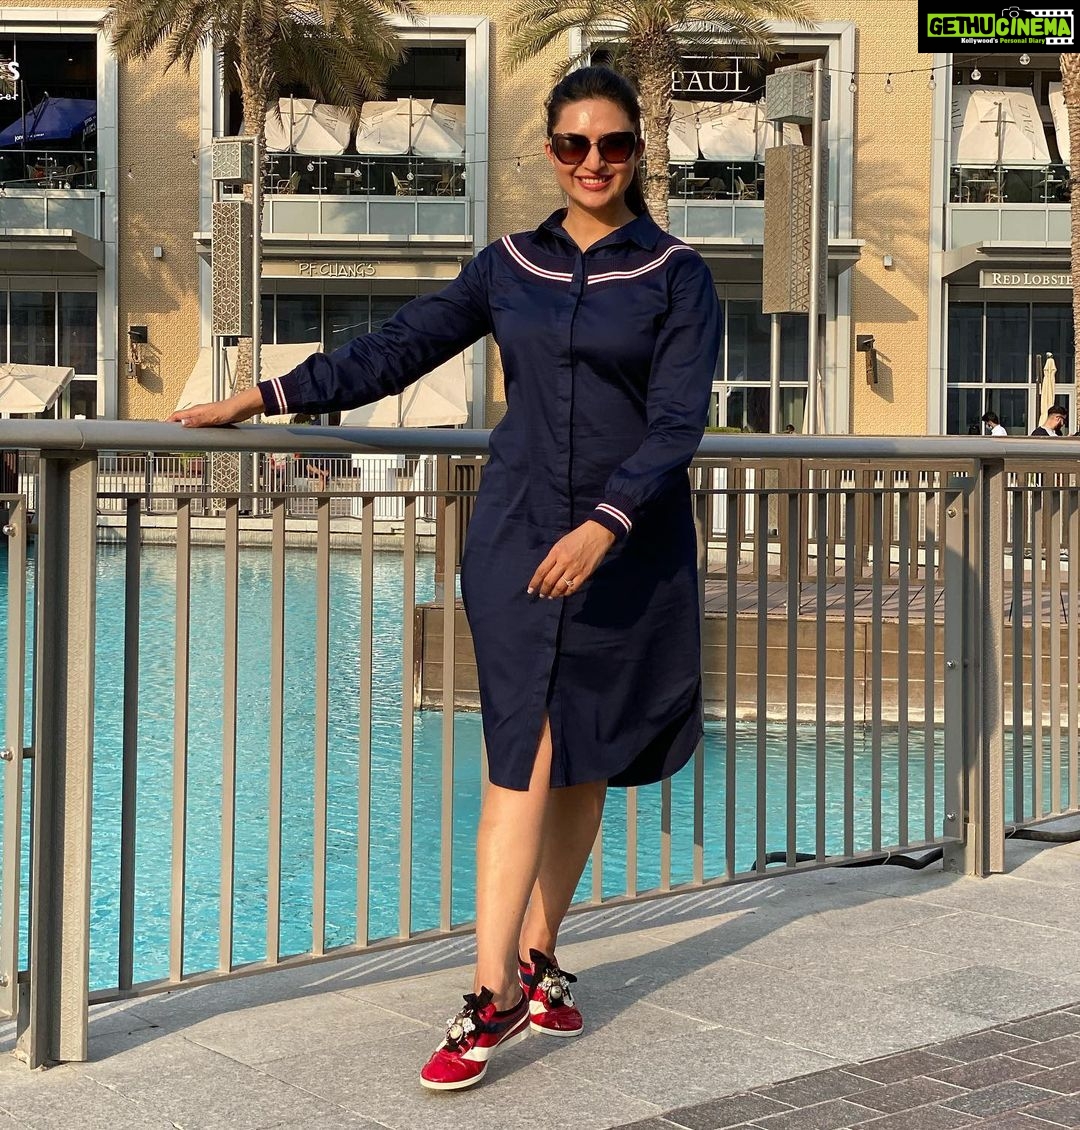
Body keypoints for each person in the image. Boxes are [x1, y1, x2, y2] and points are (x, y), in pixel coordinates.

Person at [168, 66, 721, 1092]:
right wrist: (263, 396)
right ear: (549, 152)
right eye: (573, 144)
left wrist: (606, 523)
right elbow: (396, 349)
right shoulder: (509, 264)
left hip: (626, 548)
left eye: (612, 144)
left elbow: (676, 423)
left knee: (583, 755)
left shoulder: (678, 274)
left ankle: (539, 954)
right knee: (524, 748)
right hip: (515, 537)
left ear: (639, 152)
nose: (593, 162)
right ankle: (490, 991)